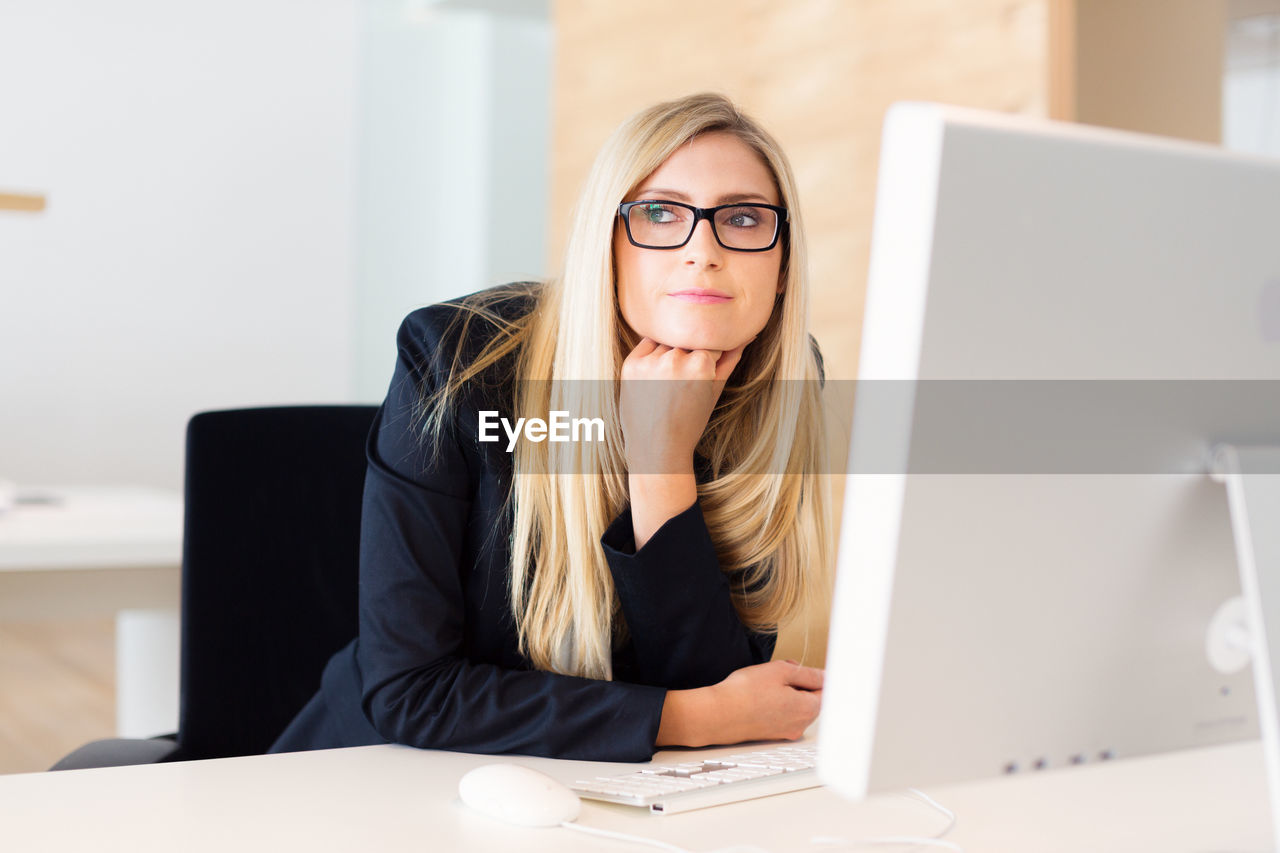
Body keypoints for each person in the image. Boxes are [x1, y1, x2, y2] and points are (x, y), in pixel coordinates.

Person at [271, 92, 831, 761]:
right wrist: (686, 716)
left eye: (742, 218)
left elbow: (719, 687)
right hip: (369, 778)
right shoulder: (460, 361)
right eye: (659, 212)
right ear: (607, 244)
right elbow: (410, 690)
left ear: (782, 268)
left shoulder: (781, 386)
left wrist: (661, 462)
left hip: (602, 800)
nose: (702, 250)